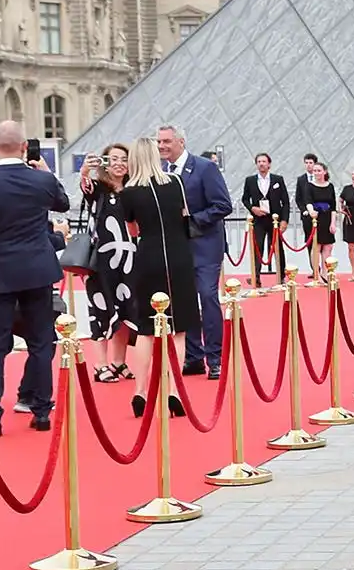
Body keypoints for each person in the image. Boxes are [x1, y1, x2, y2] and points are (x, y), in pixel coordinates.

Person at [0, 122, 69, 436]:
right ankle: (42, 411)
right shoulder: (42, 181)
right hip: (37, 269)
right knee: (41, 343)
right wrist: (48, 173)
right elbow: (63, 203)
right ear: (23, 147)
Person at [118, 137, 197, 419]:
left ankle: (140, 391)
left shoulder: (128, 192)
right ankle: (174, 390)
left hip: (148, 257)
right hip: (178, 256)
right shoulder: (175, 182)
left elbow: (133, 230)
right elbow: (184, 217)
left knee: (146, 328)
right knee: (180, 326)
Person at [157, 124, 231, 380]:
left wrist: (193, 218)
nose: (162, 146)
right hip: (178, 248)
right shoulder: (162, 173)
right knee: (183, 302)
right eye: (159, 142)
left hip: (206, 246)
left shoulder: (204, 168)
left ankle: (216, 358)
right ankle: (194, 356)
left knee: (207, 297)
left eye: (166, 141)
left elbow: (223, 205)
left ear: (181, 141)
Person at [80, 144, 136, 382]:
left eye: (123, 159)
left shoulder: (134, 189)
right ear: (104, 162)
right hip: (102, 261)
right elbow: (86, 187)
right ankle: (100, 364)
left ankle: (118, 360)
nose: (118, 164)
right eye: (113, 159)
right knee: (101, 310)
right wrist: (84, 172)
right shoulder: (98, 189)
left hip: (130, 260)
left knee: (126, 310)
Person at [242, 153, 290, 279]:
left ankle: (281, 275)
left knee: (277, 247)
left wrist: (284, 220)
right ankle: (255, 276)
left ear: (269, 164)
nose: (261, 164)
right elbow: (245, 199)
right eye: (259, 161)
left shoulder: (277, 179)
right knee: (258, 246)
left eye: (264, 161)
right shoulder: (250, 180)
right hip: (258, 219)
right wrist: (253, 208)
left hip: (275, 219)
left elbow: (285, 201)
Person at [305, 163, 337, 283]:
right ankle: (316, 274)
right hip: (315, 218)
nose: (316, 173)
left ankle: (325, 273)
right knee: (316, 246)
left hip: (327, 217)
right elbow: (307, 201)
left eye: (319, 170)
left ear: (325, 172)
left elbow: (333, 205)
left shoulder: (330, 186)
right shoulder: (309, 186)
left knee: (328, 246)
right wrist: (311, 211)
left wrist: (333, 223)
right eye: (315, 171)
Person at [295, 153, 320, 244]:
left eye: (310, 162)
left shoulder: (320, 177)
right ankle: (311, 258)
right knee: (309, 239)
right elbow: (298, 198)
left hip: (319, 213)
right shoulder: (301, 179)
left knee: (321, 239)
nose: (308, 165)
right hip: (306, 214)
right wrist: (304, 210)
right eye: (306, 163)